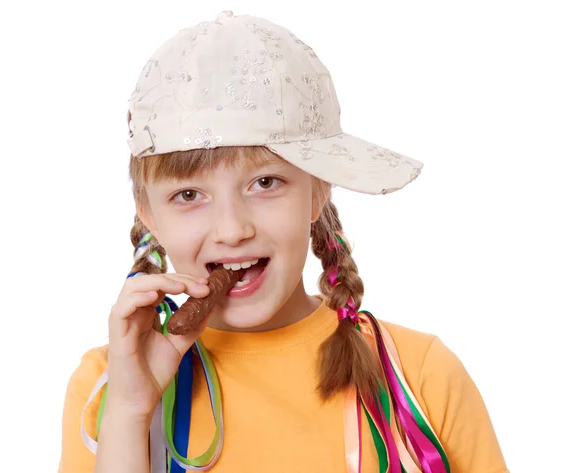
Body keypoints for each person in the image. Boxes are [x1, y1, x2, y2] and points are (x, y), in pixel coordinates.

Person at [58, 10, 509, 473]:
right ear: (148, 214)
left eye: (266, 183)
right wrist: (131, 414)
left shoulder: (420, 375)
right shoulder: (107, 392)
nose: (232, 229)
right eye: (189, 194)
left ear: (319, 189)